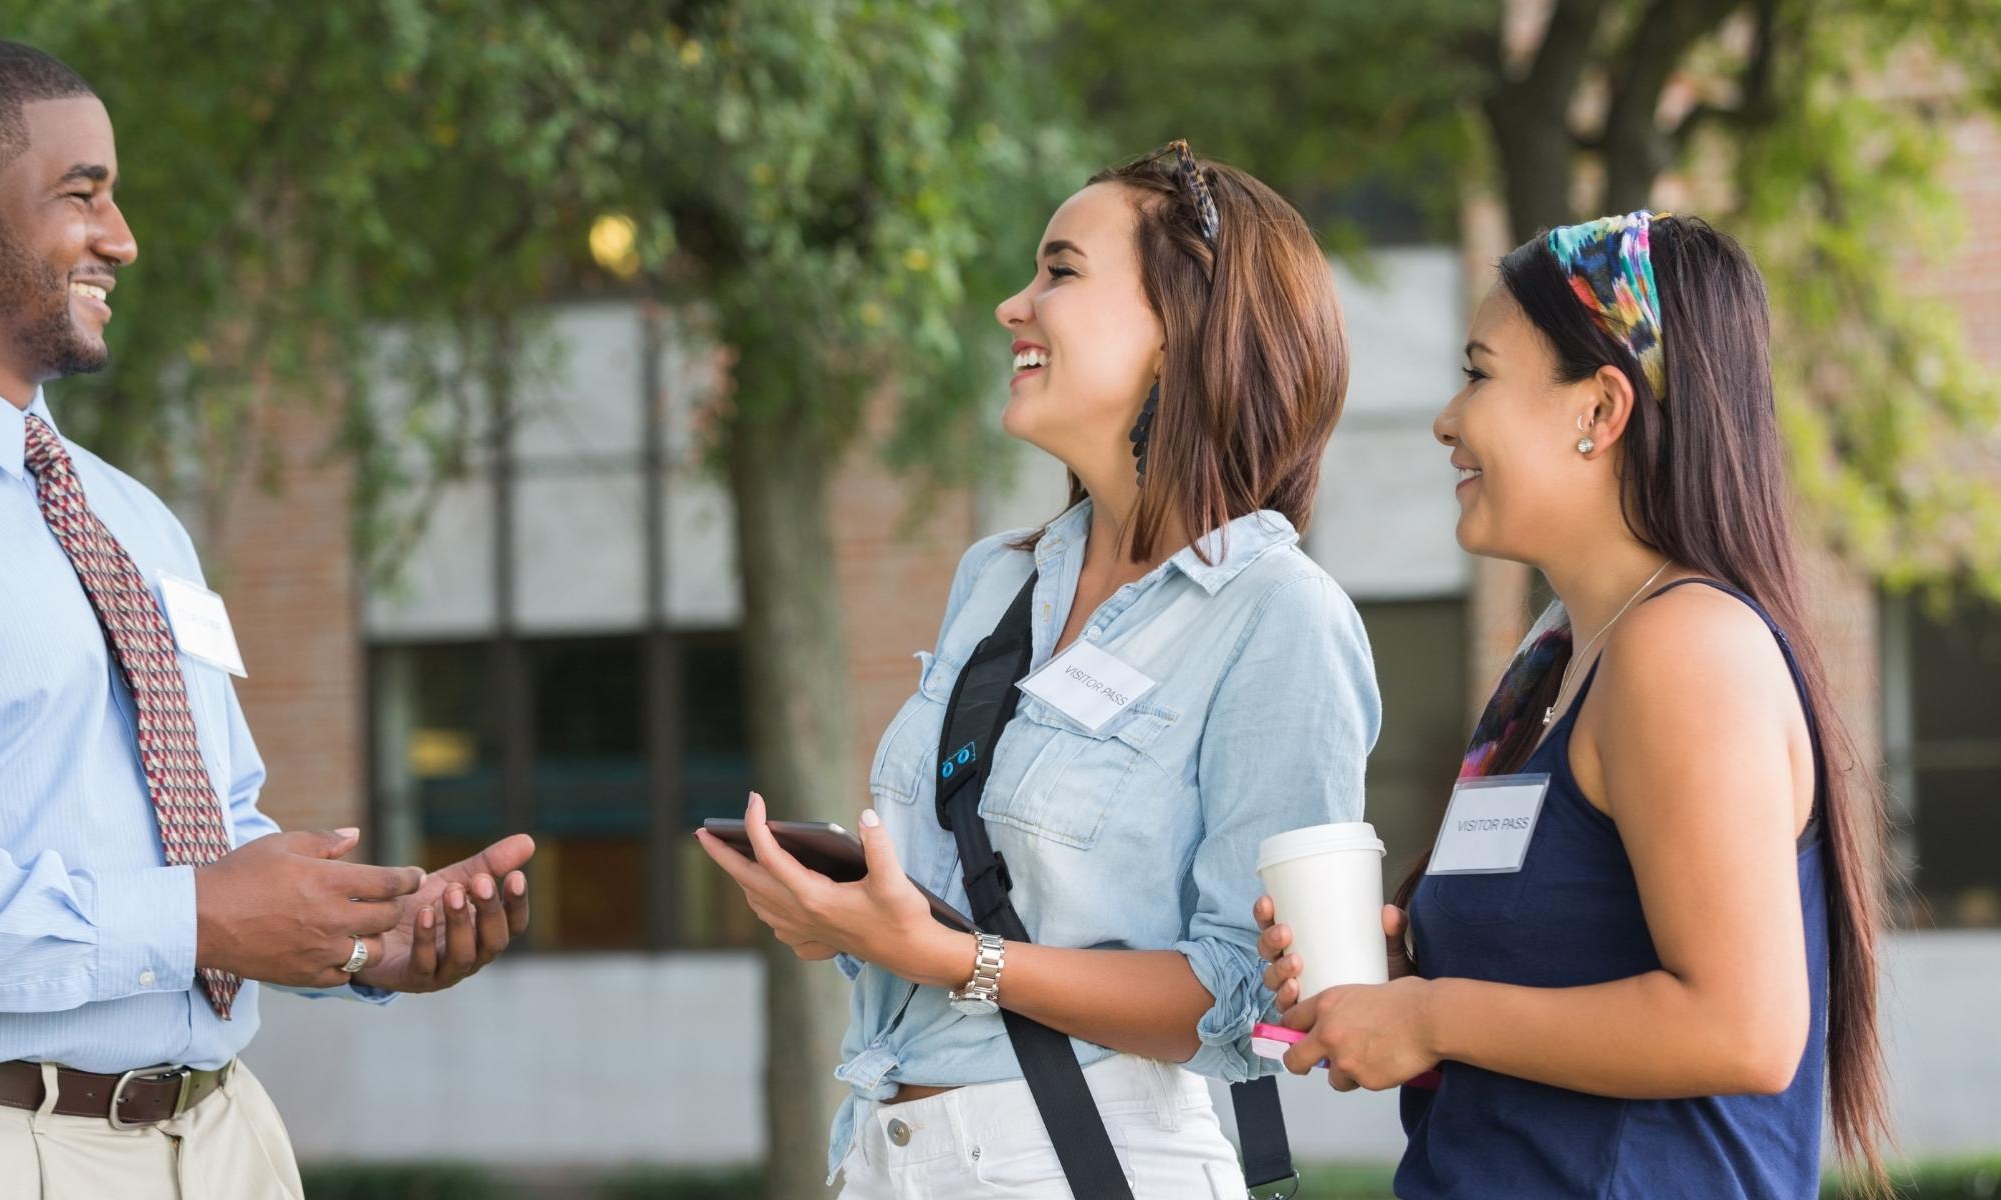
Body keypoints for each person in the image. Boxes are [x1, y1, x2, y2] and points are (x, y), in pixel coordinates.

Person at [0, 37, 535, 1199]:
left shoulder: (129, 518)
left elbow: (207, 826)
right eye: (83, 194)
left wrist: (359, 939)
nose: (122, 236)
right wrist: (192, 921)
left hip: (222, 1141)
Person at [697, 141, 1380, 1198]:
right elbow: (971, 898)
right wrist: (847, 923)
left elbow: (1252, 1004)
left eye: (1060, 272)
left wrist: (952, 959)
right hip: (884, 1155)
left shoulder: (1279, 616)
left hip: (1082, 1162)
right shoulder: (999, 579)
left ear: (1179, 328)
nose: (1016, 306)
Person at [1253, 212, 1890, 1197]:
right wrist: (1386, 994)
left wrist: (1432, 1019)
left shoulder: (1685, 651)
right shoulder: (1555, 665)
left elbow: (1745, 1030)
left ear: (1599, 409)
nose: (1446, 420)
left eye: (1478, 374)